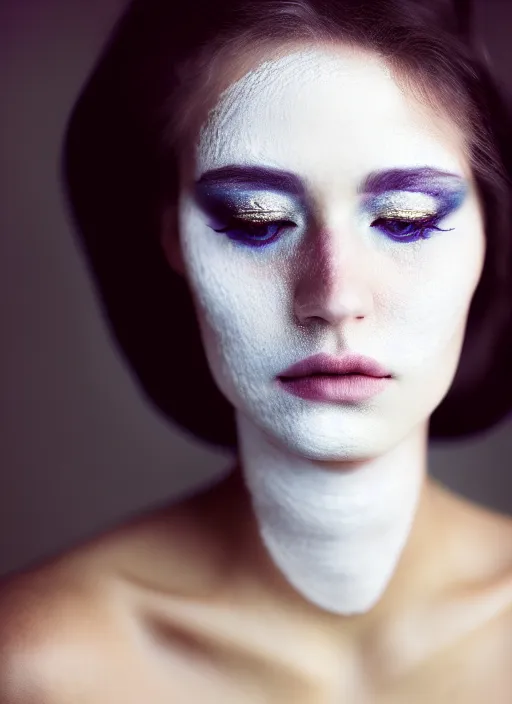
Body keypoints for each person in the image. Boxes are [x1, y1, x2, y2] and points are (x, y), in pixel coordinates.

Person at [2, 0, 512, 700]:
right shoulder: (36, 665)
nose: (333, 296)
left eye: (405, 220)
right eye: (256, 220)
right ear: (170, 238)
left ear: (492, 233)